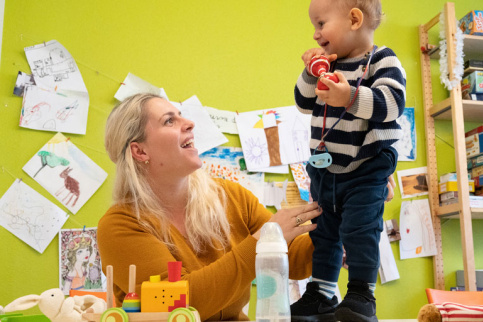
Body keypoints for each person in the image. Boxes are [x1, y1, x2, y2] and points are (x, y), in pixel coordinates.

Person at [97, 93, 322, 321]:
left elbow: (294, 257)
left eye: (181, 116)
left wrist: (338, 235)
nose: (190, 124)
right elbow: (182, 307)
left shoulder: (230, 196)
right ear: (140, 151)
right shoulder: (119, 226)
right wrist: (263, 242)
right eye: (169, 121)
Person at [290, 0, 406, 321]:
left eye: (321, 24)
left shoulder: (382, 60)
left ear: (354, 19)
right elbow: (302, 102)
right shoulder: (330, 62)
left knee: (360, 228)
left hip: (367, 164)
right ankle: (322, 291)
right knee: (323, 229)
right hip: (325, 168)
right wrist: (310, 71)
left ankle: (360, 292)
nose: (315, 34)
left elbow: (393, 103)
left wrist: (349, 97)